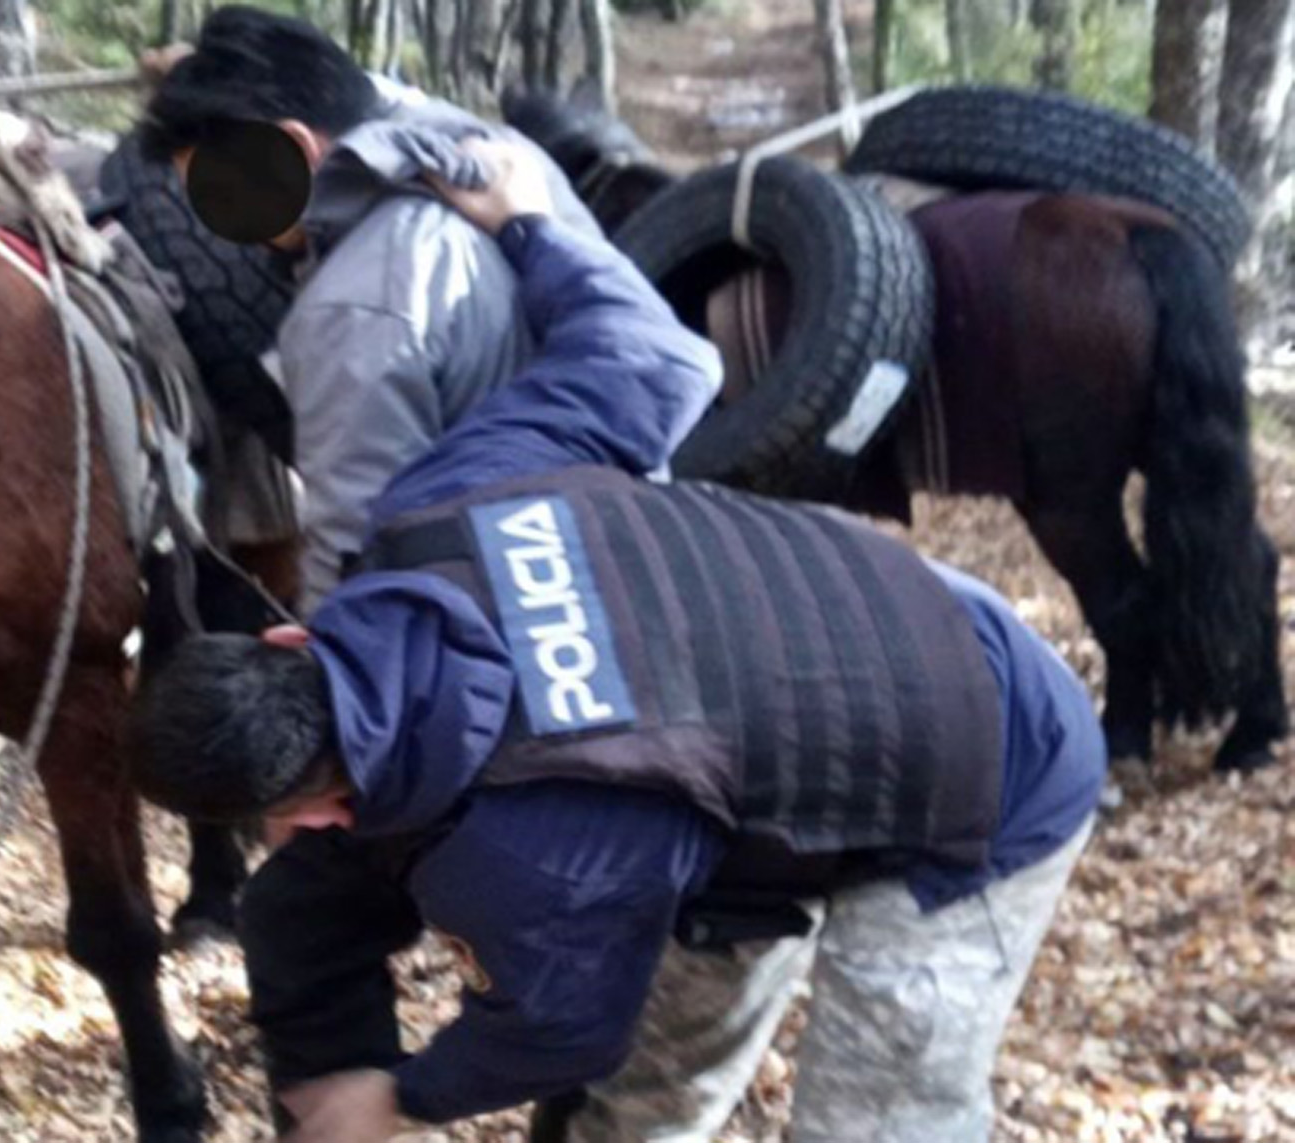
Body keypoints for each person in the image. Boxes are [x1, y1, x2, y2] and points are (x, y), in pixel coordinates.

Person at [129, 138, 1108, 1143]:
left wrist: (401, 1097)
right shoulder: (437, 510)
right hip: (773, 730)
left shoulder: (528, 861)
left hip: (994, 757)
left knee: (869, 1125)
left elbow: (564, 1028)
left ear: (325, 811)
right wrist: (525, 224)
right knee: (639, 1095)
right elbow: (657, 356)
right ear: (290, 636)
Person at [137, 5, 613, 611]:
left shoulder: (353, 312)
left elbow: (355, 563)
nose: (227, 233)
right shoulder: (501, 155)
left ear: (294, 147)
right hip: (615, 537)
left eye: (222, 196)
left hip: (519, 607)